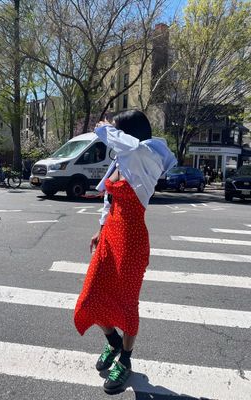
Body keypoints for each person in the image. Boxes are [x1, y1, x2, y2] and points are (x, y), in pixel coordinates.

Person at [74, 110, 177, 394]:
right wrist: (100, 227)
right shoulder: (124, 158)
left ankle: (126, 360)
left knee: (127, 303)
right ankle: (113, 341)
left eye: (116, 130)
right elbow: (109, 198)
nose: (111, 136)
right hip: (110, 235)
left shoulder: (146, 156)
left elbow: (126, 144)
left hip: (131, 240)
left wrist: (106, 128)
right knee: (91, 296)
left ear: (128, 133)